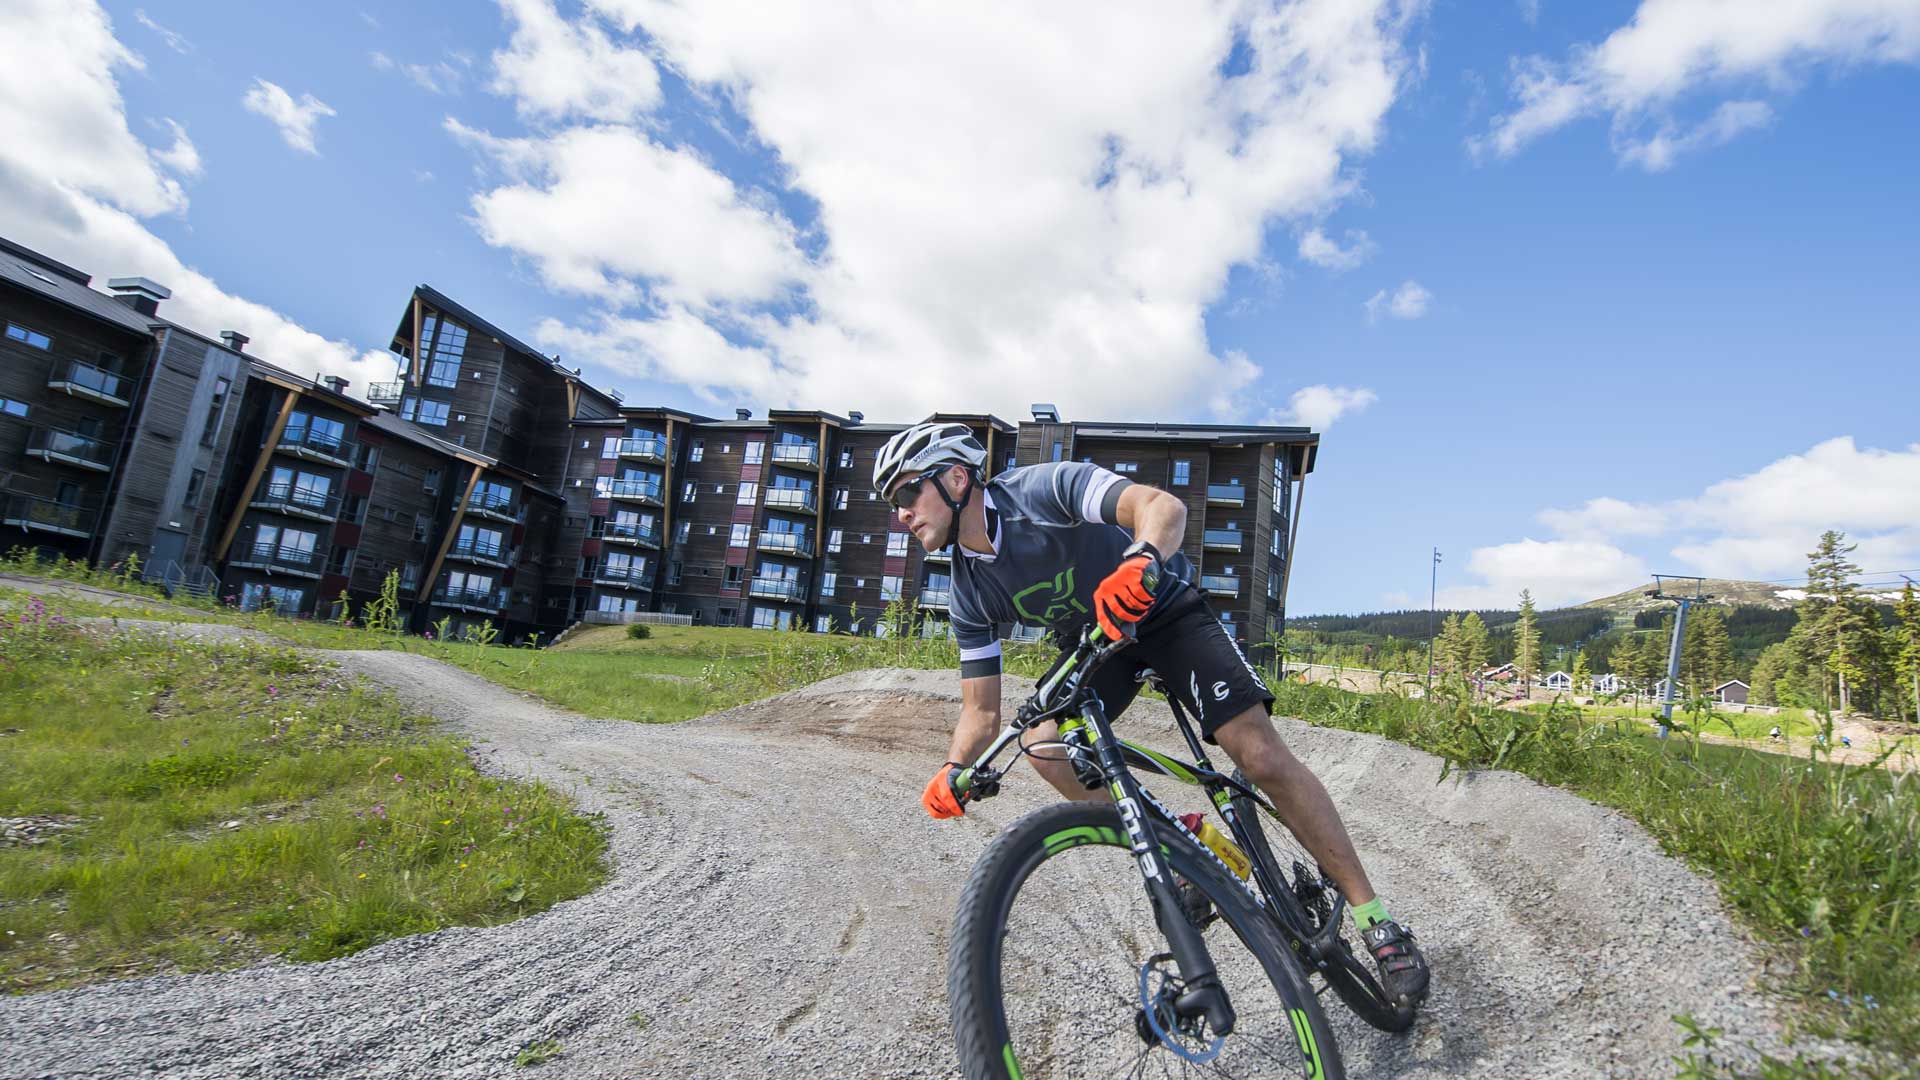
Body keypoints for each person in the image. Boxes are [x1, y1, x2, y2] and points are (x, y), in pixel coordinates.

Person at [876, 422, 1430, 1006]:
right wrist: (953, 768)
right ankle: (1185, 843)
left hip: (1163, 611)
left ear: (956, 478)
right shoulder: (967, 590)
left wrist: (1139, 560)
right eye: (892, 503)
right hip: (1096, 643)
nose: (901, 513)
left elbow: (1161, 507)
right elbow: (980, 709)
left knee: (1258, 754)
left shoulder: (1040, 491)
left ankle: (1376, 919)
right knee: (1042, 743)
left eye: (907, 492)